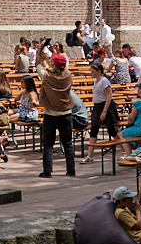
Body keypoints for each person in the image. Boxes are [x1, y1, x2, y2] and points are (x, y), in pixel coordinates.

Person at [35, 49, 74, 178]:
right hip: (66, 113)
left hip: (50, 114)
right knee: (68, 143)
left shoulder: (47, 77)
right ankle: (71, 169)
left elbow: (38, 65)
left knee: (48, 145)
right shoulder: (68, 75)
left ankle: (47, 171)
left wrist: (40, 52)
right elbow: (61, 64)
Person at [83, 61, 121, 165]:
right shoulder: (96, 80)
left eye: (93, 71)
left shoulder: (104, 81)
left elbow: (109, 97)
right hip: (96, 107)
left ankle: (125, 150)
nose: (91, 73)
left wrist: (104, 111)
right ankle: (89, 155)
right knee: (94, 130)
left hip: (105, 107)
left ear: (99, 71)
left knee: (112, 131)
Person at [118, 82, 141, 157]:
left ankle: (129, 155)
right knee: (139, 140)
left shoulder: (138, 103)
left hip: (140, 129)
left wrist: (129, 120)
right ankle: (140, 154)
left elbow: (131, 119)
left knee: (121, 134)